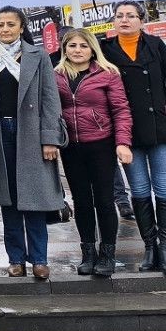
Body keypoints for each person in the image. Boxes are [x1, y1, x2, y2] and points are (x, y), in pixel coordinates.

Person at [100, 1, 166, 276]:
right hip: (127, 131)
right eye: (119, 16)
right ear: (113, 21)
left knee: (165, 187)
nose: (125, 20)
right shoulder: (105, 49)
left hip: (163, 127)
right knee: (139, 190)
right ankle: (150, 247)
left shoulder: (155, 45)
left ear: (141, 20)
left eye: (131, 15)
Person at [0, 6, 67, 280]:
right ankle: (16, 258)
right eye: (1, 24)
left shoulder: (37, 56)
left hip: (31, 132)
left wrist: (50, 138)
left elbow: (51, 99)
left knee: (34, 198)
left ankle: (39, 259)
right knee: (9, 199)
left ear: (21, 27)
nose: (5, 29)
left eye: (11, 24)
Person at [55, 29, 133, 278]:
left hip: (101, 144)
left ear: (92, 49)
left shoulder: (107, 74)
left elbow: (121, 109)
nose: (77, 50)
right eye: (72, 45)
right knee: (82, 201)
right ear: (64, 49)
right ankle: (87, 253)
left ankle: (107, 254)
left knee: (104, 200)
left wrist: (122, 142)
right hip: (71, 148)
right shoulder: (55, 75)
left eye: (83, 46)